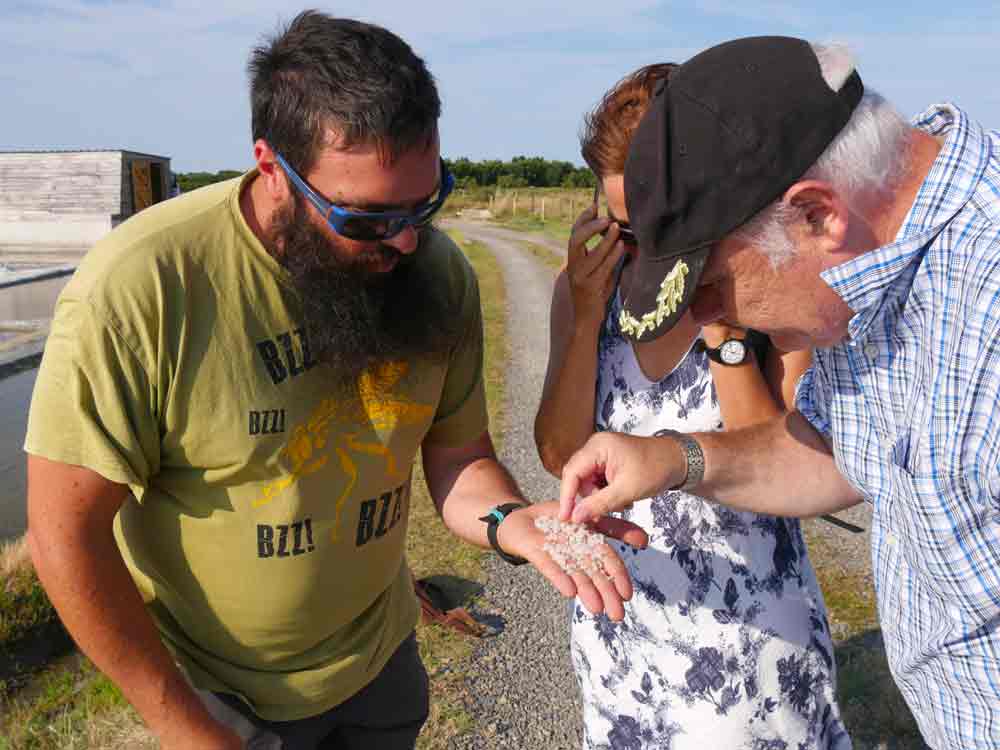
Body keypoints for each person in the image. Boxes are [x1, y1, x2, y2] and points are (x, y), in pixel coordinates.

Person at [22, 12, 646, 750]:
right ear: (271, 168)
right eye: (368, 218)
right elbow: (67, 537)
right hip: (221, 695)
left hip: (380, 667)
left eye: (428, 201)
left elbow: (456, 458)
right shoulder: (141, 288)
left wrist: (511, 521)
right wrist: (186, 727)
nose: (407, 239)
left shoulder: (437, 276)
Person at [559, 35, 1000, 750]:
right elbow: (829, 455)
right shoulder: (876, 281)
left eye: (710, 284)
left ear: (816, 215)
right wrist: (674, 459)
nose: (706, 318)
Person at [535, 63, 850, 750]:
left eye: (660, 231)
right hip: (625, 621)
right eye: (622, 230)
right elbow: (560, 455)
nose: (639, 254)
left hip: (751, 632)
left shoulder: (776, 294)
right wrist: (586, 319)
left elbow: (795, 467)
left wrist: (721, 321)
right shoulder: (586, 290)